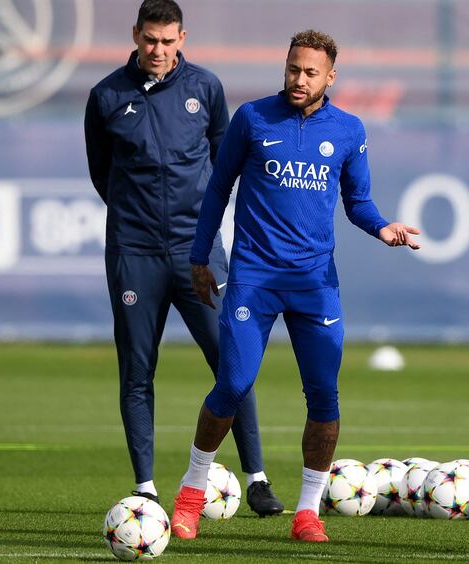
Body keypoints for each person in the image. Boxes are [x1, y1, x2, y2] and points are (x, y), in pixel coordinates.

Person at [170, 29, 421, 542]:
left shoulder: (348, 130)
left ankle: (308, 511)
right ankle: (192, 493)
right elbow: (218, 189)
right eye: (292, 69)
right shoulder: (253, 118)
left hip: (314, 285)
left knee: (324, 397)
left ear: (331, 76)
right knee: (234, 384)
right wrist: (200, 257)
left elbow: (358, 203)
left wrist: (383, 228)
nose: (298, 79)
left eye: (310, 72)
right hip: (254, 279)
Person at [84, 0, 282, 516]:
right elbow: (101, 173)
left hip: (198, 253)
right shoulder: (106, 95)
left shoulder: (205, 88)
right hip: (134, 253)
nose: (159, 50)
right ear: (135, 35)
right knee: (136, 371)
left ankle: (257, 477)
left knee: (232, 363)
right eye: (151, 39)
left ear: (182, 39)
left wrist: (199, 231)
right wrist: (138, 219)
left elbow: (224, 164)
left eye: (169, 41)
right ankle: (145, 486)